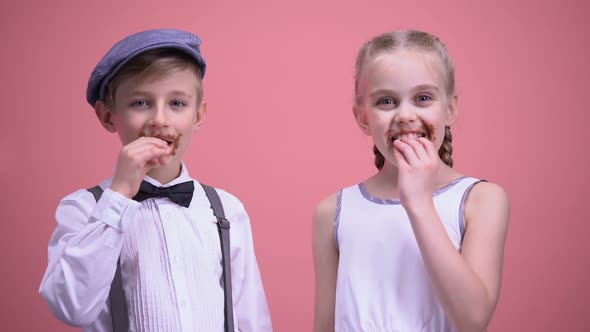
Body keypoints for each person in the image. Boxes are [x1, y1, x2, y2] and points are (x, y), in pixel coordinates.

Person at [39, 28, 272, 332]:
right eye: (140, 103)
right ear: (108, 116)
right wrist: (119, 195)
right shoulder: (83, 209)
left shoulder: (227, 210)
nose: (160, 120)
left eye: (177, 104)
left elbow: (251, 318)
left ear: (198, 116)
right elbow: (71, 307)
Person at [312, 30, 510, 332]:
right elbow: (325, 325)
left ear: (450, 109)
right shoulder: (332, 213)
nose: (405, 115)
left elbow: (473, 318)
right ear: (363, 118)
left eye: (423, 98)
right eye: (387, 101)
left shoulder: (481, 199)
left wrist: (418, 202)